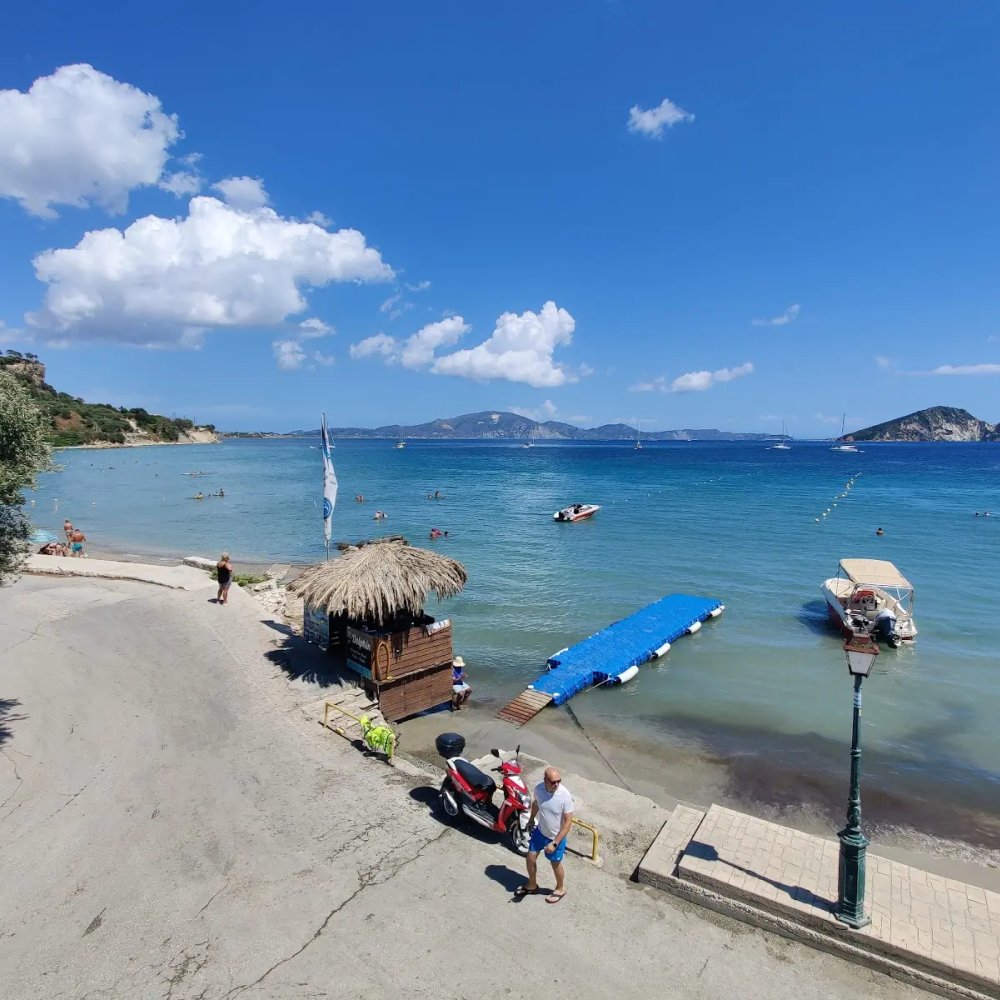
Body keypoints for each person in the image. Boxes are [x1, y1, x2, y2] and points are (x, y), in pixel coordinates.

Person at [516, 767, 574, 904]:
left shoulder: (565, 795)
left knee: (555, 864)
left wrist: (555, 843)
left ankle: (560, 888)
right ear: (545, 780)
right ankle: (532, 885)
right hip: (540, 831)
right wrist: (531, 819)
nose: (556, 784)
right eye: (553, 782)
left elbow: (568, 823)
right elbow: (537, 803)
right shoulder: (539, 789)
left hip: (556, 837)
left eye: (559, 781)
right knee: (530, 858)